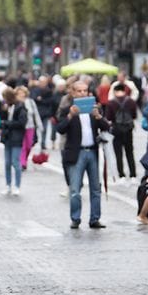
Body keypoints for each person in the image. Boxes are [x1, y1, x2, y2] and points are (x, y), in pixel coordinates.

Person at [57, 81, 110, 229]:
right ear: (73, 93)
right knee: (75, 190)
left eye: (85, 91)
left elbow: (106, 127)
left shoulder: (94, 109)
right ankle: (75, 218)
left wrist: (98, 116)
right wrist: (70, 116)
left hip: (92, 152)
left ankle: (95, 218)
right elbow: (60, 129)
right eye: (79, 91)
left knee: (95, 188)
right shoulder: (68, 109)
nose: (82, 94)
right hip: (76, 153)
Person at [105, 83, 139, 182]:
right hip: (128, 129)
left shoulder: (111, 103)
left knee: (118, 153)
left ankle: (122, 175)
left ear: (115, 91)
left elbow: (109, 117)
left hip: (116, 129)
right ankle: (133, 175)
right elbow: (134, 115)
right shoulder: (131, 101)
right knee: (130, 152)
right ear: (124, 90)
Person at [0, 87, 27, 195]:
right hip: (7, 137)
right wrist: (4, 111)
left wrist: (7, 123)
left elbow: (21, 122)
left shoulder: (20, 107)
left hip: (16, 137)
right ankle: (8, 185)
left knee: (16, 162)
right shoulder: (7, 106)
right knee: (7, 163)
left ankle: (17, 185)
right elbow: (2, 118)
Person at [16, 85, 41, 170]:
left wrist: (39, 125)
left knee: (29, 145)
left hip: (30, 126)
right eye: (19, 93)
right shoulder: (16, 103)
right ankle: (22, 162)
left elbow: (36, 114)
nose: (21, 94)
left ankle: (25, 159)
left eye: (22, 93)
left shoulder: (30, 102)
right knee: (23, 145)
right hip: (20, 127)